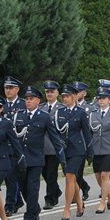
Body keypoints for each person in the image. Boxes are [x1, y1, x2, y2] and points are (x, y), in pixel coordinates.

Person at [12, 86, 65, 220]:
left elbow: (54, 138)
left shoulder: (44, 117)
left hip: (36, 159)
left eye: (31, 99)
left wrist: (62, 158)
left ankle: (28, 217)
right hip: (20, 159)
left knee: (33, 188)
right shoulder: (18, 115)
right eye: (26, 99)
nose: (28, 101)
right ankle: (34, 207)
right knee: (23, 188)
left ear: (38, 100)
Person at [55, 84, 93, 220]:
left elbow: (87, 133)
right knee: (72, 178)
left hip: (77, 150)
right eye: (64, 97)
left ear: (74, 97)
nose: (65, 99)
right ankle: (79, 204)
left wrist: (90, 151)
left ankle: (67, 208)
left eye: (68, 96)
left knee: (69, 176)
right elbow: (56, 132)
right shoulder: (59, 112)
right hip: (65, 150)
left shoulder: (81, 112)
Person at [89, 87, 110, 212]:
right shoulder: (93, 114)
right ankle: (109, 193)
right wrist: (88, 150)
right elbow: (90, 133)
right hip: (96, 149)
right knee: (98, 176)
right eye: (99, 98)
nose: (101, 100)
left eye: (103, 98)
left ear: (109, 100)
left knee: (105, 175)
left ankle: (102, 203)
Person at [2, 76, 25, 217]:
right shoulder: (0, 105)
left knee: (14, 176)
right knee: (8, 176)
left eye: (11, 88)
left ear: (17, 89)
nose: (8, 90)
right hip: (4, 146)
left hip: (19, 145)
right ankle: (15, 201)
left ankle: (11, 204)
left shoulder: (23, 104)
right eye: (6, 88)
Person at [40, 80, 64, 209]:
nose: (49, 94)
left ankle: (50, 199)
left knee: (51, 174)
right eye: (47, 92)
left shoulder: (62, 108)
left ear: (57, 93)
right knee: (44, 173)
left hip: (54, 147)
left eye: (52, 91)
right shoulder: (41, 108)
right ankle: (56, 190)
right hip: (41, 146)